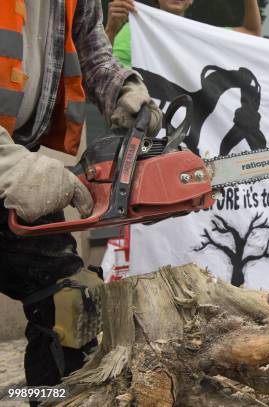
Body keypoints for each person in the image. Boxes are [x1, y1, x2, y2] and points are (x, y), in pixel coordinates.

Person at [0, 0, 162, 394]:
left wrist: (121, 89)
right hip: (8, 161)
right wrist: (8, 165)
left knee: (70, 297)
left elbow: (90, 46)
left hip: (14, 153)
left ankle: (57, 398)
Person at [105, 0, 262, 68]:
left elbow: (252, 33)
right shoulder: (134, 30)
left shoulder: (200, 34)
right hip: (145, 130)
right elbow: (103, 70)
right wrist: (111, 29)